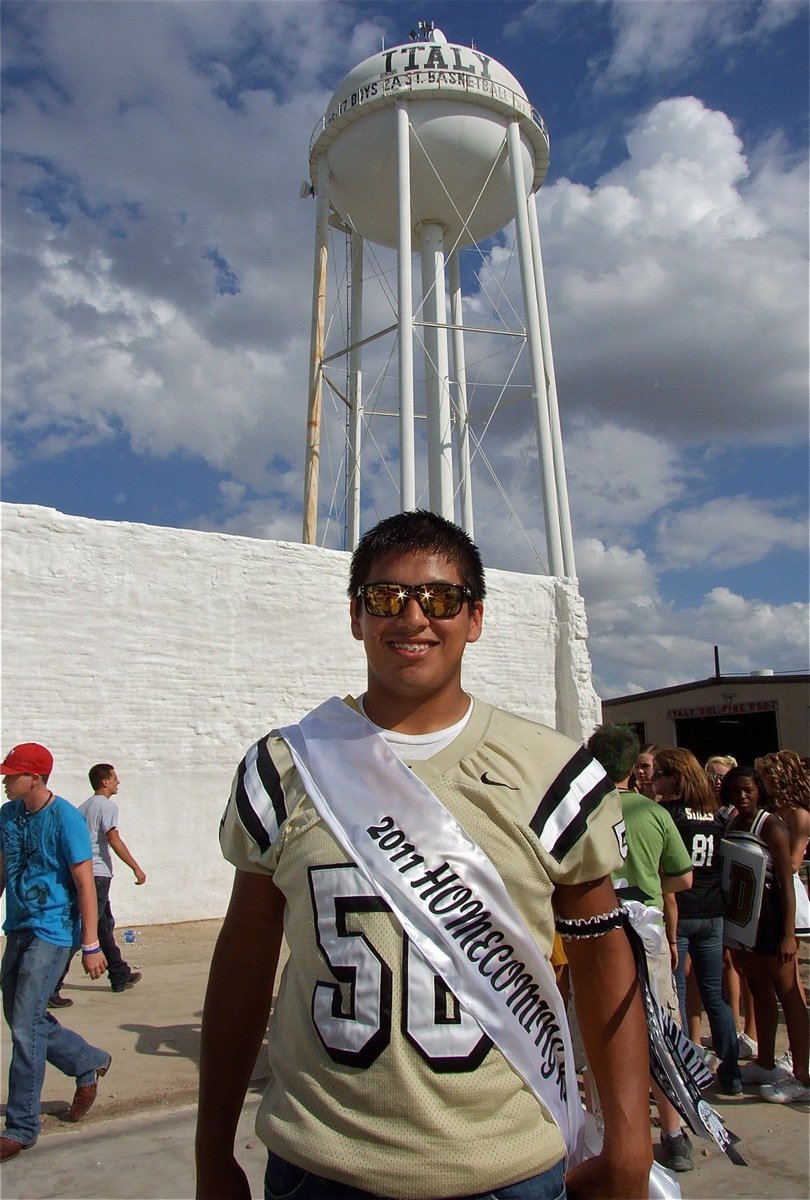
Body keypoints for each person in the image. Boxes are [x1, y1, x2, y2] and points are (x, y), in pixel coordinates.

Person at [196, 511, 654, 1200]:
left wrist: (629, 1140)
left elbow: (602, 951)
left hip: (507, 1169)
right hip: (320, 1167)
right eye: (387, 597)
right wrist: (212, 1150)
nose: (413, 617)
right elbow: (244, 956)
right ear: (356, 616)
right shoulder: (283, 768)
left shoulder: (552, 772)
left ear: (474, 619)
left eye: (441, 599)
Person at [587, 724, 696, 1173]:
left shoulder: (582, 811)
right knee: (662, 1030)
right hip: (645, 929)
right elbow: (683, 878)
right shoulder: (653, 813)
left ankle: (600, 1129)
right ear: (635, 768)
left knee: (599, 1033)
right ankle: (673, 1133)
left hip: (595, 933)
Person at [0, 742, 112, 1162]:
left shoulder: (65, 817)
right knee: (18, 1014)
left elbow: (85, 884)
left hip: (54, 931)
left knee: (25, 1025)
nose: (6, 781)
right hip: (20, 927)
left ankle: (21, 1126)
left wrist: (90, 943)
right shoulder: (7, 817)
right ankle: (87, 1061)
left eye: (12, 775)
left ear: (36, 778)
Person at [651, 748, 741, 1096]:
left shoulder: (667, 815)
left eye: (660, 773)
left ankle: (683, 1075)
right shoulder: (713, 816)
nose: (654, 779)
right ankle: (730, 1073)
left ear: (675, 777)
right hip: (712, 912)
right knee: (715, 996)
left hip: (680, 911)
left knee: (677, 994)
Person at [721, 766, 810, 1105]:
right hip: (744, 922)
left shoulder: (771, 825)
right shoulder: (731, 821)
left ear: (758, 791)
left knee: (789, 994)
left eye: (748, 790)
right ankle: (766, 1062)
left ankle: (802, 1075)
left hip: (771, 918)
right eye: (736, 790)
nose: (742, 796)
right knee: (759, 990)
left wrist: (788, 934)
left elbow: (787, 882)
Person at [79, 764, 146, 993]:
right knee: (87, 926)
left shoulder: (83, 807)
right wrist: (135, 867)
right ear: (105, 782)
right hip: (98, 875)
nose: (118, 782)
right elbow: (114, 839)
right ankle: (52, 985)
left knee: (103, 926)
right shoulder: (106, 806)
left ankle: (119, 973)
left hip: (86, 872)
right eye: (115, 778)